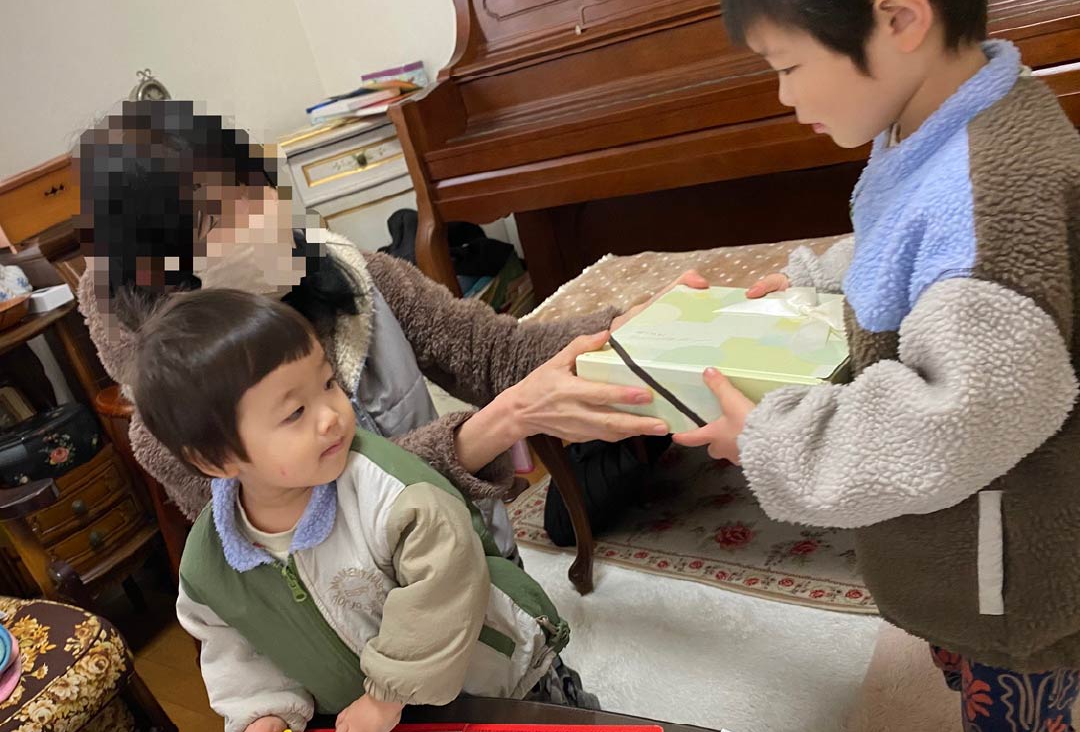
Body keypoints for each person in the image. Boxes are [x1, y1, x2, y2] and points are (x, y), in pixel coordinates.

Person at [676, 0, 1080, 732]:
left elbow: (958, 415)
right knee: (971, 679)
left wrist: (777, 440)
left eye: (787, 66)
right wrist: (823, 280)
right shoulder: (937, 116)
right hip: (967, 550)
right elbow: (905, 242)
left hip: (1018, 577)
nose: (783, 95)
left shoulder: (992, 188)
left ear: (898, 20)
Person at [75, 99, 706, 560]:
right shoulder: (173, 422)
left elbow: (492, 351)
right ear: (158, 267)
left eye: (254, 188)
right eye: (221, 216)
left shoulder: (355, 276)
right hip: (371, 637)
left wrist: (626, 328)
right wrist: (493, 427)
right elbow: (308, 537)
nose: (264, 215)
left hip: (475, 554)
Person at [134, 287, 587, 732]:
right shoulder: (211, 566)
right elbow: (236, 646)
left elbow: (448, 580)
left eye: (328, 383)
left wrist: (385, 695)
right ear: (216, 459)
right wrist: (266, 710)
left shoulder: (386, 488)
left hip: (498, 680)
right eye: (295, 413)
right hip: (391, 725)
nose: (331, 415)